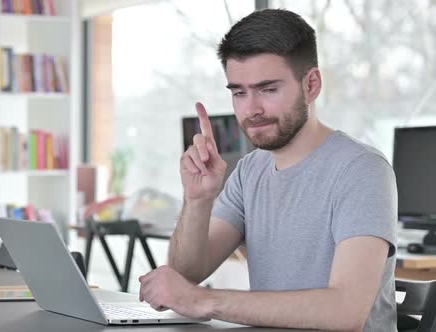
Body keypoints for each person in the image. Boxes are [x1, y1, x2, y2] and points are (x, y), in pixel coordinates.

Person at [138, 8, 397, 331]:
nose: (251, 109)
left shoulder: (362, 170)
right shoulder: (249, 172)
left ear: (312, 85)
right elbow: (187, 275)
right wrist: (197, 200)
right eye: (239, 93)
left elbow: (346, 312)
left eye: (268, 89)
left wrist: (206, 300)